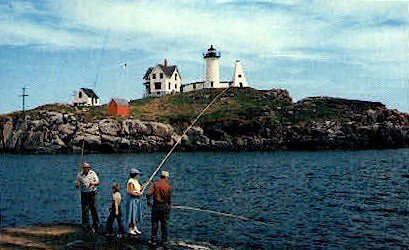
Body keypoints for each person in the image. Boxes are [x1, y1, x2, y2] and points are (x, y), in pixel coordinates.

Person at [147, 171, 172, 247]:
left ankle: (153, 240)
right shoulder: (168, 187)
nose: (168, 179)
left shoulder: (155, 184)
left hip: (156, 207)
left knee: (154, 224)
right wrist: (169, 205)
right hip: (165, 207)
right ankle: (164, 241)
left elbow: (148, 194)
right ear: (166, 177)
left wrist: (148, 201)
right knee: (164, 224)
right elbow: (169, 199)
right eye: (168, 178)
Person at [75, 162, 100, 232]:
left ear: (89, 168)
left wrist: (93, 183)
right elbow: (77, 184)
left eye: (87, 167)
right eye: (85, 167)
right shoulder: (80, 174)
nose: (86, 169)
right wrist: (77, 185)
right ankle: (85, 225)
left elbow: (98, 182)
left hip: (92, 193)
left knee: (93, 209)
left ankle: (96, 224)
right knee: (85, 209)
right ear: (83, 168)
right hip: (84, 194)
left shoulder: (93, 173)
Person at [126, 168, 146, 235]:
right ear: (134, 175)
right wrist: (138, 194)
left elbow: (139, 188)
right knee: (131, 214)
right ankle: (130, 229)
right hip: (132, 200)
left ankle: (135, 227)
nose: (138, 176)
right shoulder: (131, 181)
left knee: (135, 214)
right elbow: (130, 191)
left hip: (136, 200)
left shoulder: (136, 181)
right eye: (137, 174)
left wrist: (145, 184)